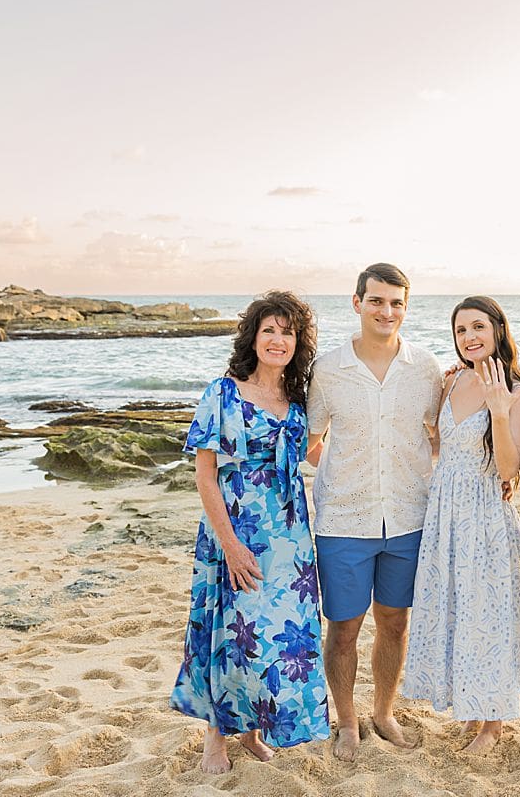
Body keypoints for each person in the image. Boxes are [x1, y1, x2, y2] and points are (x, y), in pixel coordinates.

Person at [170, 291, 329, 773]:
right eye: (269, 330)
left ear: (297, 342)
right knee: (231, 632)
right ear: (253, 338)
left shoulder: (298, 400)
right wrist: (231, 545)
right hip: (237, 529)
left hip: (291, 533)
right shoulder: (224, 392)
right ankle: (216, 740)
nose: (278, 340)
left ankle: (254, 729)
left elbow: (318, 456)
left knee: (278, 636)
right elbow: (205, 475)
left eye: (287, 331)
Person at [306, 263, 444, 761]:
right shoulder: (328, 369)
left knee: (394, 622)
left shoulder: (425, 367)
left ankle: (383, 712)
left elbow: (441, 434)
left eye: (397, 303)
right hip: (344, 520)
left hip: (409, 517)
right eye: (378, 301)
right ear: (357, 302)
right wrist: (344, 472)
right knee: (343, 626)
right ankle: (347, 723)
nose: (387, 311)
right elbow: (311, 440)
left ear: (406, 308)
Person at [401, 296, 520, 754]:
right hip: (445, 511)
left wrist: (499, 410)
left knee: (488, 612)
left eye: (478, 327)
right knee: (457, 607)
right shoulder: (453, 379)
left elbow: (506, 467)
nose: (470, 337)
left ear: (498, 329)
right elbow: (439, 442)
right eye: (461, 331)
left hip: (485, 515)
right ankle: (472, 704)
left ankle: (492, 723)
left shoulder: (518, 391)